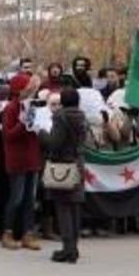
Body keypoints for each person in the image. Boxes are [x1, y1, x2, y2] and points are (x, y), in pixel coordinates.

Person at [38, 88, 87, 263]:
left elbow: (54, 143)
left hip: (63, 165)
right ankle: (74, 246)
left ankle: (67, 248)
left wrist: (41, 133)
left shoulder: (61, 117)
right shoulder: (82, 116)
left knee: (63, 207)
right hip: (78, 162)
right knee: (75, 207)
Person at [2, 73, 43, 251]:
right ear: (20, 90)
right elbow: (8, 135)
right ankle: (7, 232)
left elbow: (37, 132)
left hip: (32, 159)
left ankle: (28, 233)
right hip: (17, 160)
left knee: (30, 200)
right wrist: (22, 123)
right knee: (16, 198)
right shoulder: (11, 108)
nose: (32, 91)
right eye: (28, 88)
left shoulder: (33, 107)